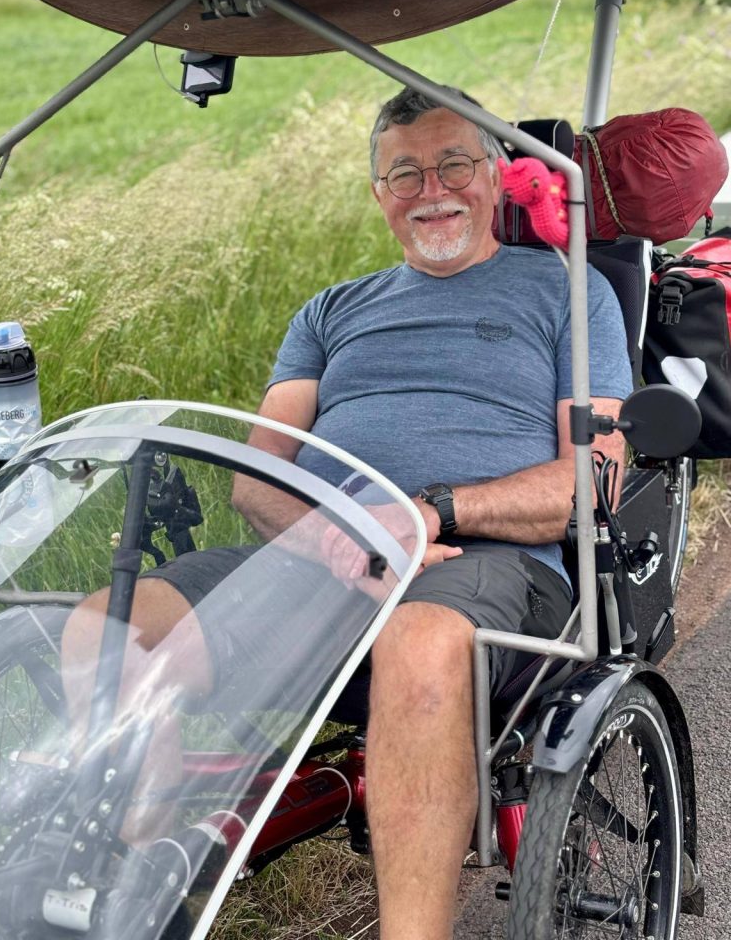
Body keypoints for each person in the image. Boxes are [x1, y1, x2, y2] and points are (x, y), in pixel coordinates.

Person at [62, 86, 631, 940]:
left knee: (420, 637)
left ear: (496, 177)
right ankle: (148, 890)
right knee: (106, 631)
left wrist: (431, 514)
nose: (431, 190)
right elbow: (257, 478)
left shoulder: (569, 293)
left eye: (454, 166)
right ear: (378, 193)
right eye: (405, 174)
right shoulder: (330, 311)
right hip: (321, 559)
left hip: (487, 566)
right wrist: (336, 536)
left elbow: (593, 478)